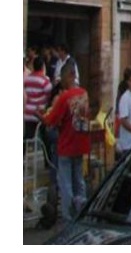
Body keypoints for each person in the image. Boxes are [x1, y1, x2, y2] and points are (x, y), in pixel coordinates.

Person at [37, 64, 91, 223]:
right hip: (81, 144)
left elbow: (50, 120)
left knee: (66, 183)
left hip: (67, 145)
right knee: (79, 179)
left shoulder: (65, 97)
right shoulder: (84, 94)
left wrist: (39, 115)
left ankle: (69, 216)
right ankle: (82, 211)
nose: (62, 84)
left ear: (69, 76)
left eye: (62, 79)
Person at [24, 56, 52, 142]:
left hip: (27, 113)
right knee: (45, 139)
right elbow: (49, 96)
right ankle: (47, 154)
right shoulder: (45, 81)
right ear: (43, 67)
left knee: (27, 139)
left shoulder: (27, 79)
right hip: (40, 114)